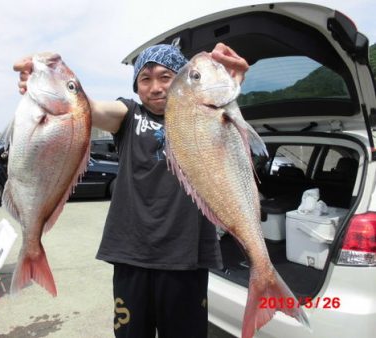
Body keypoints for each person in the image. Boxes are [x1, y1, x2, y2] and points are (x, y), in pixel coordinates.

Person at [14, 42, 248, 337]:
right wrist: (48, 81)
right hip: (131, 253)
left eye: (166, 76)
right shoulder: (129, 114)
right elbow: (89, 107)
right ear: (136, 88)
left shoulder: (203, 115)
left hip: (187, 255)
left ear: (182, 79)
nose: (155, 88)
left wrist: (229, 82)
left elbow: (230, 128)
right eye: (145, 79)